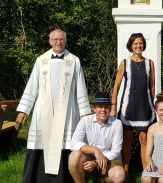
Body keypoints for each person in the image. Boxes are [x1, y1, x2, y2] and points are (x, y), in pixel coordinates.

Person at [16, 28, 91, 182]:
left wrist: (83, 112)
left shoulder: (74, 60)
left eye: (62, 39)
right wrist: (24, 110)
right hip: (43, 111)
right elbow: (32, 86)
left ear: (66, 41)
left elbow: (81, 87)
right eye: (55, 39)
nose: (58, 42)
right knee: (41, 141)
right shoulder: (41, 60)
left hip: (68, 110)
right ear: (50, 41)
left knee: (65, 143)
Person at [111, 33, 156, 177]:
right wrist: (113, 106)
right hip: (128, 107)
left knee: (145, 139)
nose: (139, 46)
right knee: (127, 139)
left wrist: (152, 104)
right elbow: (116, 86)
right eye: (136, 43)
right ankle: (125, 172)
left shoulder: (150, 63)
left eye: (141, 43)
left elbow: (153, 86)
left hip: (145, 106)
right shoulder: (125, 63)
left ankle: (146, 173)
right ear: (131, 45)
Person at [68, 92, 125, 183]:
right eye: (100, 106)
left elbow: (116, 151)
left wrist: (96, 162)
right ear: (94, 109)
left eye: (106, 107)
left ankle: (102, 181)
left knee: (119, 176)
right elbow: (73, 144)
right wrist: (95, 150)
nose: (103, 109)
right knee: (74, 156)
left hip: (108, 160)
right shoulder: (85, 121)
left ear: (110, 109)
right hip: (87, 159)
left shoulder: (117, 123)